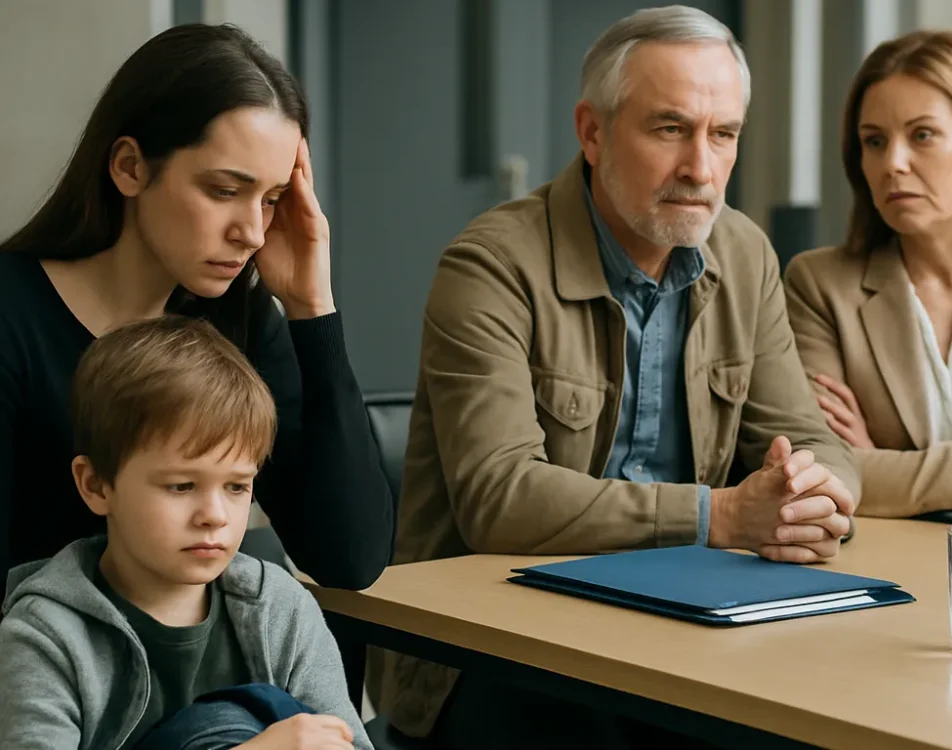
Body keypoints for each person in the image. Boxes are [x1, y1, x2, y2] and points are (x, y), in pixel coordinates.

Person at [374, 6, 859, 748]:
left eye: (723, 134)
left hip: (685, 623)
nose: (701, 167)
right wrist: (722, 517)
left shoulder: (745, 254)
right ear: (592, 132)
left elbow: (811, 440)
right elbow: (500, 500)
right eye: (670, 128)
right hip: (494, 643)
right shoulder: (490, 265)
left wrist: (816, 495)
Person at [0, 24, 394, 588]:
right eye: (224, 191)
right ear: (130, 167)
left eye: (272, 199)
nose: (253, 232)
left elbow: (348, 558)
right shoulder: (13, 315)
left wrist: (312, 307)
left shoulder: (242, 323)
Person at [0, 316, 371, 750]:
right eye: (181, 486)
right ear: (96, 485)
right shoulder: (44, 635)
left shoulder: (281, 610)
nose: (214, 516)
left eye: (237, 487)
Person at [785, 30, 952, 521]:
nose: (893, 164)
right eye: (874, 142)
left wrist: (881, 466)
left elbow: (858, 473)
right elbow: (820, 473)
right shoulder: (819, 285)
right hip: (882, 563)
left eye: (922, 135)